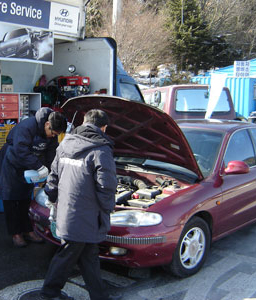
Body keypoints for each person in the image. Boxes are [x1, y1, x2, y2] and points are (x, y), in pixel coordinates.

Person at [39, 109, 121, 300]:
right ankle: (48, 293)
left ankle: (99, 296)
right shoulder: (101, 150)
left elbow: (53, 177)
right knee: (67, 254)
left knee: (88, 256)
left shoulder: (65, 143)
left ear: (83, 123)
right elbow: (106, 187)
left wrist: (51, 198)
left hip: (68, 212)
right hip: (87, 215)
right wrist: (108, 208)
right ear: (104, 128)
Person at [0, 107, 67, 248]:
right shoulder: (27, 126)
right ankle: (15, 233)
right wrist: (38, 166)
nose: (53, 136)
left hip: (31, 166)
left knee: (26, 198)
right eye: (53, 133)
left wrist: (50, 171)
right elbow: (20, 149)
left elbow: (51, 154)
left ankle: (28, 230)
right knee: (11, 199)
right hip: (12, 163)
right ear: (47, 125)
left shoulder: (51, 134)